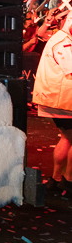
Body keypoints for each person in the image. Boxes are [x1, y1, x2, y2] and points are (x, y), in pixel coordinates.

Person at [32, 12, 72, 192]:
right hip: (61, 101)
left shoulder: (62, 39)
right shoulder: (63, 42)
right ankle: (68, 181)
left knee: (66, 138)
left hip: (59, 101)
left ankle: (56, 179)